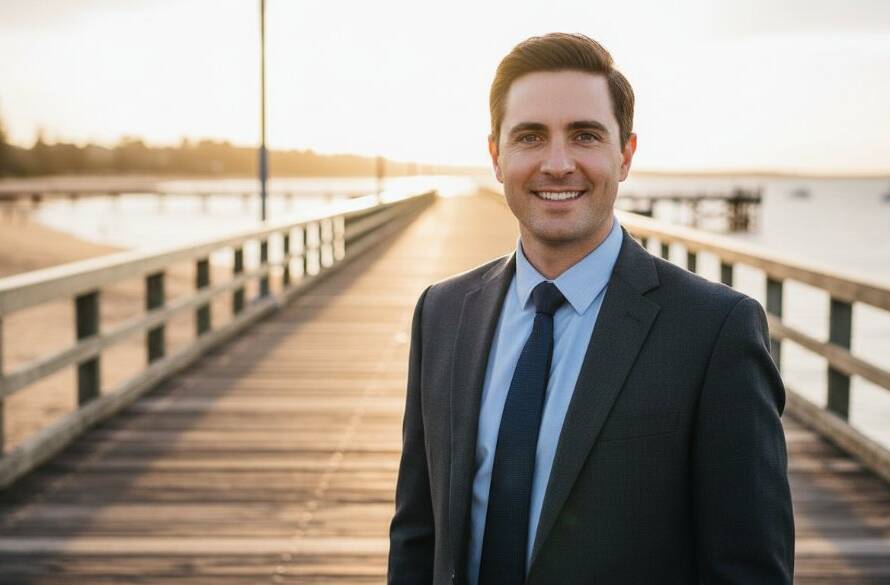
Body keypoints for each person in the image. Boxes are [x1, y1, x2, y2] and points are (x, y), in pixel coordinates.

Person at [388, 33, 794, 585]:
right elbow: (418, 532)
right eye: (530, 137)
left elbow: (749, 568)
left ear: (624, 155)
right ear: (495, 156)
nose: (558, 164)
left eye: (585, 135)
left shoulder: (715, 332)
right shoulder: (441, 312)